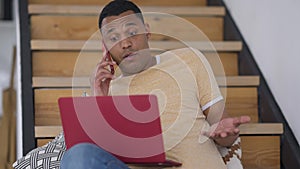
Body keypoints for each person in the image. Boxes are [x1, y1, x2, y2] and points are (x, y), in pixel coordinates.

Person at [60, 0, 250, 168]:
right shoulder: (107, 91)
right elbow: (97, 158)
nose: (125, 43)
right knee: (78, 155)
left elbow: (224, 129)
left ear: (147, 31)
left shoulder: (188, 59)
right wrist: (100, 97)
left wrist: (226, 134)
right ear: (105, 47)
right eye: (114, 38)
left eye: (132, 32)